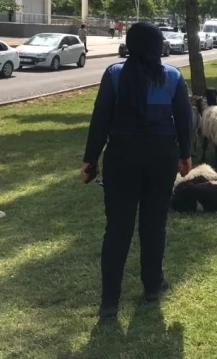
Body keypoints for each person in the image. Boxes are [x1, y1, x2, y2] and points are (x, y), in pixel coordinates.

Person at [80, 22, 193, 320]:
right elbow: (184, 120)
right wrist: (186, 157)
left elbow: (100, 119)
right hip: (162, 159)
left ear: (130, 44)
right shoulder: (173, 76)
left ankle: (109, 302)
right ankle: (153, 286)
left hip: (121, 160)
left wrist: (89, 161)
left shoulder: (115, 74)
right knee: (154, 226)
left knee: (117, 230)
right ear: (159, 46)